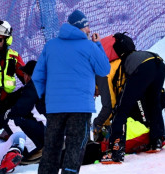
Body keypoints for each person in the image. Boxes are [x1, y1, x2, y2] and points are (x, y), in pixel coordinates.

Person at [32, 10, 110, 174]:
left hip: (55, 108)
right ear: (81, 26)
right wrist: (97, 44)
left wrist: (47, 98)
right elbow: (104, 69)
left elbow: (38, 76)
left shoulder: (50, 45)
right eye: (87, 26)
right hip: (80, 108)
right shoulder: (89, 46)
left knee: (52, 146)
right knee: (75, 145)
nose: (89, 30)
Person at [100, 33, 165, 164]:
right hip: (159, 62)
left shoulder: (119, 64)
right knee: (154, 103)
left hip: (143, 67)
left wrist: (105, 122)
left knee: (122, 109)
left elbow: (115, 101)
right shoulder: (134, 55)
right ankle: (156, 141)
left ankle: (116, 152)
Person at [0, 60, 46, 163]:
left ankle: (32, 150)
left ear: (28, 76)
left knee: (10, 120)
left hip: (44, 130)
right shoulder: (43, 85)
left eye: (24, 74)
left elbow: (19, 110)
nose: (24, 77)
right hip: (52, 129)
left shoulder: (33, 86)